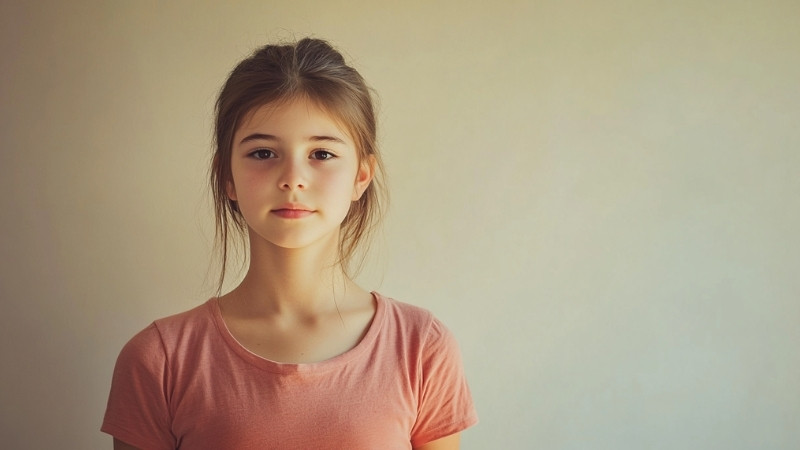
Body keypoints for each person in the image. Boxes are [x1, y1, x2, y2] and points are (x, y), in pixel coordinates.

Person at [101, 37, 478, 450]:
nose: (292, 179)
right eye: (263, 153)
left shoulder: (422, 348)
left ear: (361, 177)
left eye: (321, 154)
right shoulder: (159, 360)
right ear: (227, 176)